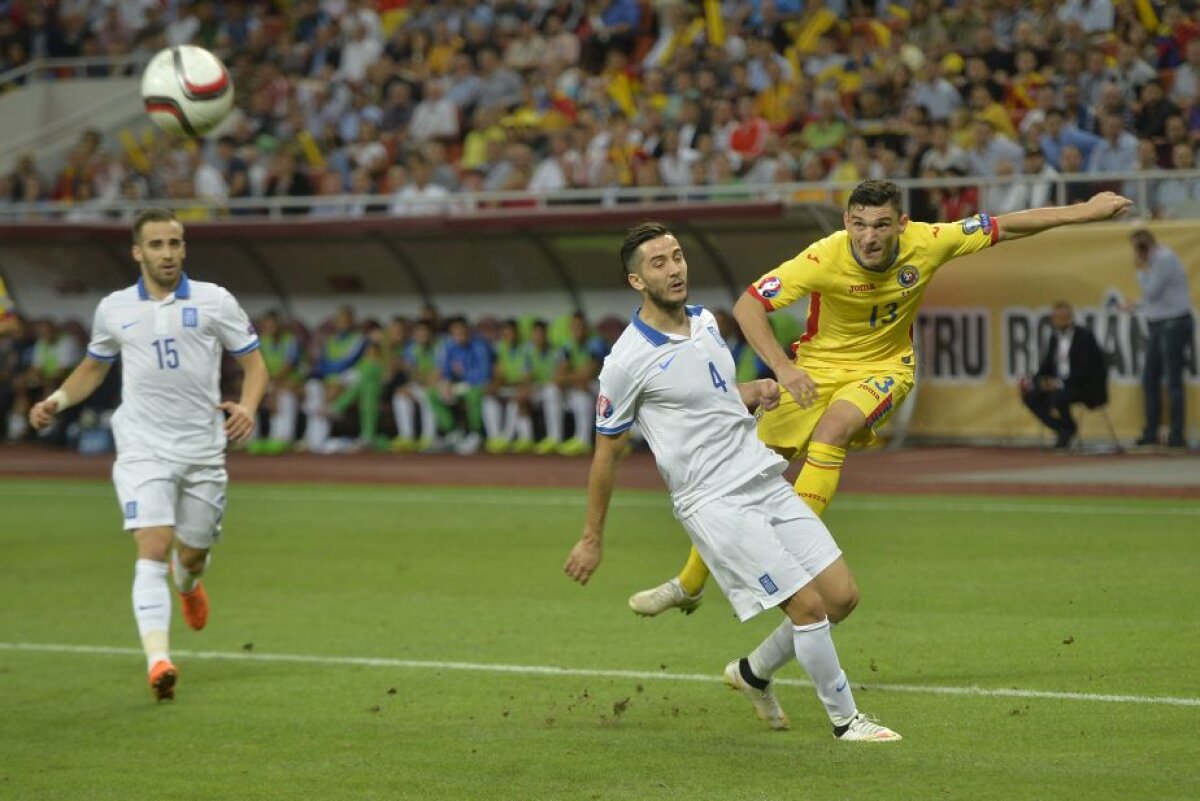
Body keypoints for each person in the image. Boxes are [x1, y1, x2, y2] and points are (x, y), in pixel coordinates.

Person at [631, 179, 1132, 615]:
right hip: (816, 368)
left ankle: (797, 547)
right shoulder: (824, 256)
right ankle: (691, 584)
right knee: (748, 468)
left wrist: (1086, 210)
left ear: (902, 224)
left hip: (885, 369)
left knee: (833, 431)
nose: (868, 237)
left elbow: (1011, 224)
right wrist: (783, 370)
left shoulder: (931, 241)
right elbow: (748, 304)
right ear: (848, 222)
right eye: (859, 224)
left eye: (881, 225)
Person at [564, 222, 901, 742]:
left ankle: (752, 674)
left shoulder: (704, 322)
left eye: (677, 256)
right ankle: (846, 722)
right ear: (636, 282)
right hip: (713, 501)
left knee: (841, 597)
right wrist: (591, 536)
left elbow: (711, 399)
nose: (675, 269)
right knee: (808, 606)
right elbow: (606, 455)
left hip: (760, 475)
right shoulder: (626, 362)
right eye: (659, 263)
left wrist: (755, 389)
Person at [28, 208, 267, 701]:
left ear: (184, 248)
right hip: (142, 445)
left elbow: (254, 363)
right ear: (138, 251)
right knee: (152, 545)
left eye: (175, 244)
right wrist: (56, 400)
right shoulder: (115, 308)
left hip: (202, 446)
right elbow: (94, 369)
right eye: (156, 245)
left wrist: (247, 406)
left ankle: (189, 584)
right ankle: (158, 660)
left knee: (193, 553)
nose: (167, 253)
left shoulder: (214, 300)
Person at [1124, 230, 1194, 449]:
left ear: (1143, 247)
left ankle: (1176, 435)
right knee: (1149, 379)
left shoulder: (1164, 259)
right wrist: (1135, 305)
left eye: (1136, 248)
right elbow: (1152, 298)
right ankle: (1151, 431)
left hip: (1173, 322)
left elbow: (1152, 292)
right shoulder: (1158, 260)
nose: (1135, 253)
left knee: (1173, 381)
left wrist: (1140, 271)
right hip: (1160, 322)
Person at [1019, 301, 1109, 448]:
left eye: (1063, 317)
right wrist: (1032, 381)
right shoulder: (1054, 338)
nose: (1059, 321)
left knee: (1059, 395)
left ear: (1070, 318)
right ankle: (1063, 428)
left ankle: (1066, 430)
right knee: (1030, 395)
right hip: (1060, 384)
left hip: (1083, 386)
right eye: (1056, 317)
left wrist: (1060, 383)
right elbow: (1046, 367)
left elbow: (1086, 370)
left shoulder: (1084, 337)